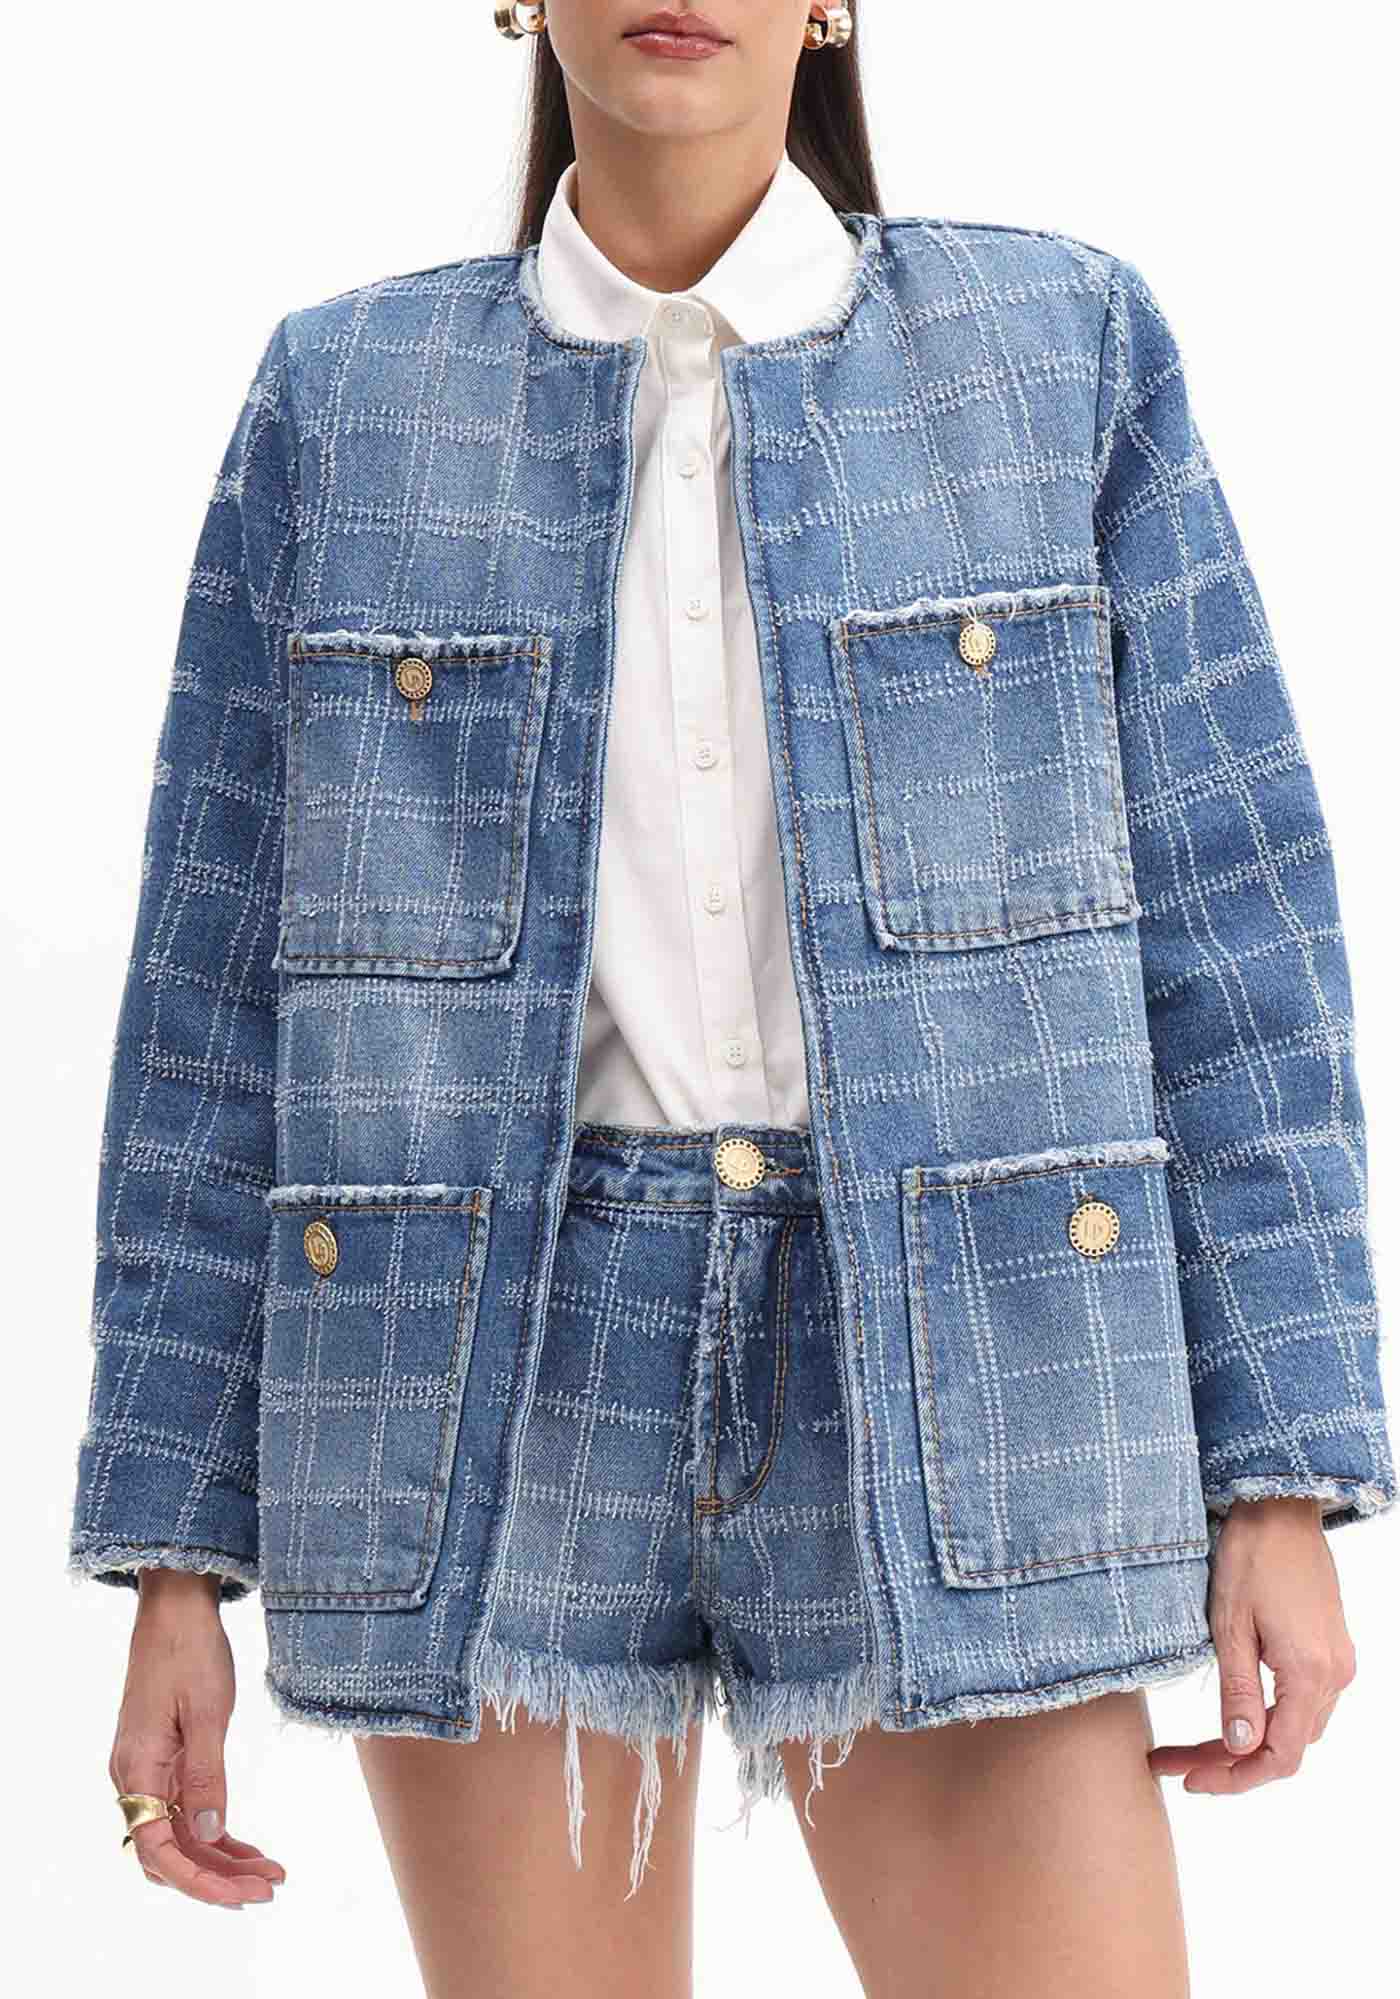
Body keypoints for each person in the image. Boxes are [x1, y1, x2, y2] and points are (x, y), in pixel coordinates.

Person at [70, 6, 1395, 1993]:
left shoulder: (1059, 354)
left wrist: (1278, 1472)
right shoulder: (343, 403)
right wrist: (175, 1555)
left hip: (968, 1353)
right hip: (480, 1382)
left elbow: (1233, 929)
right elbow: (213, 994)